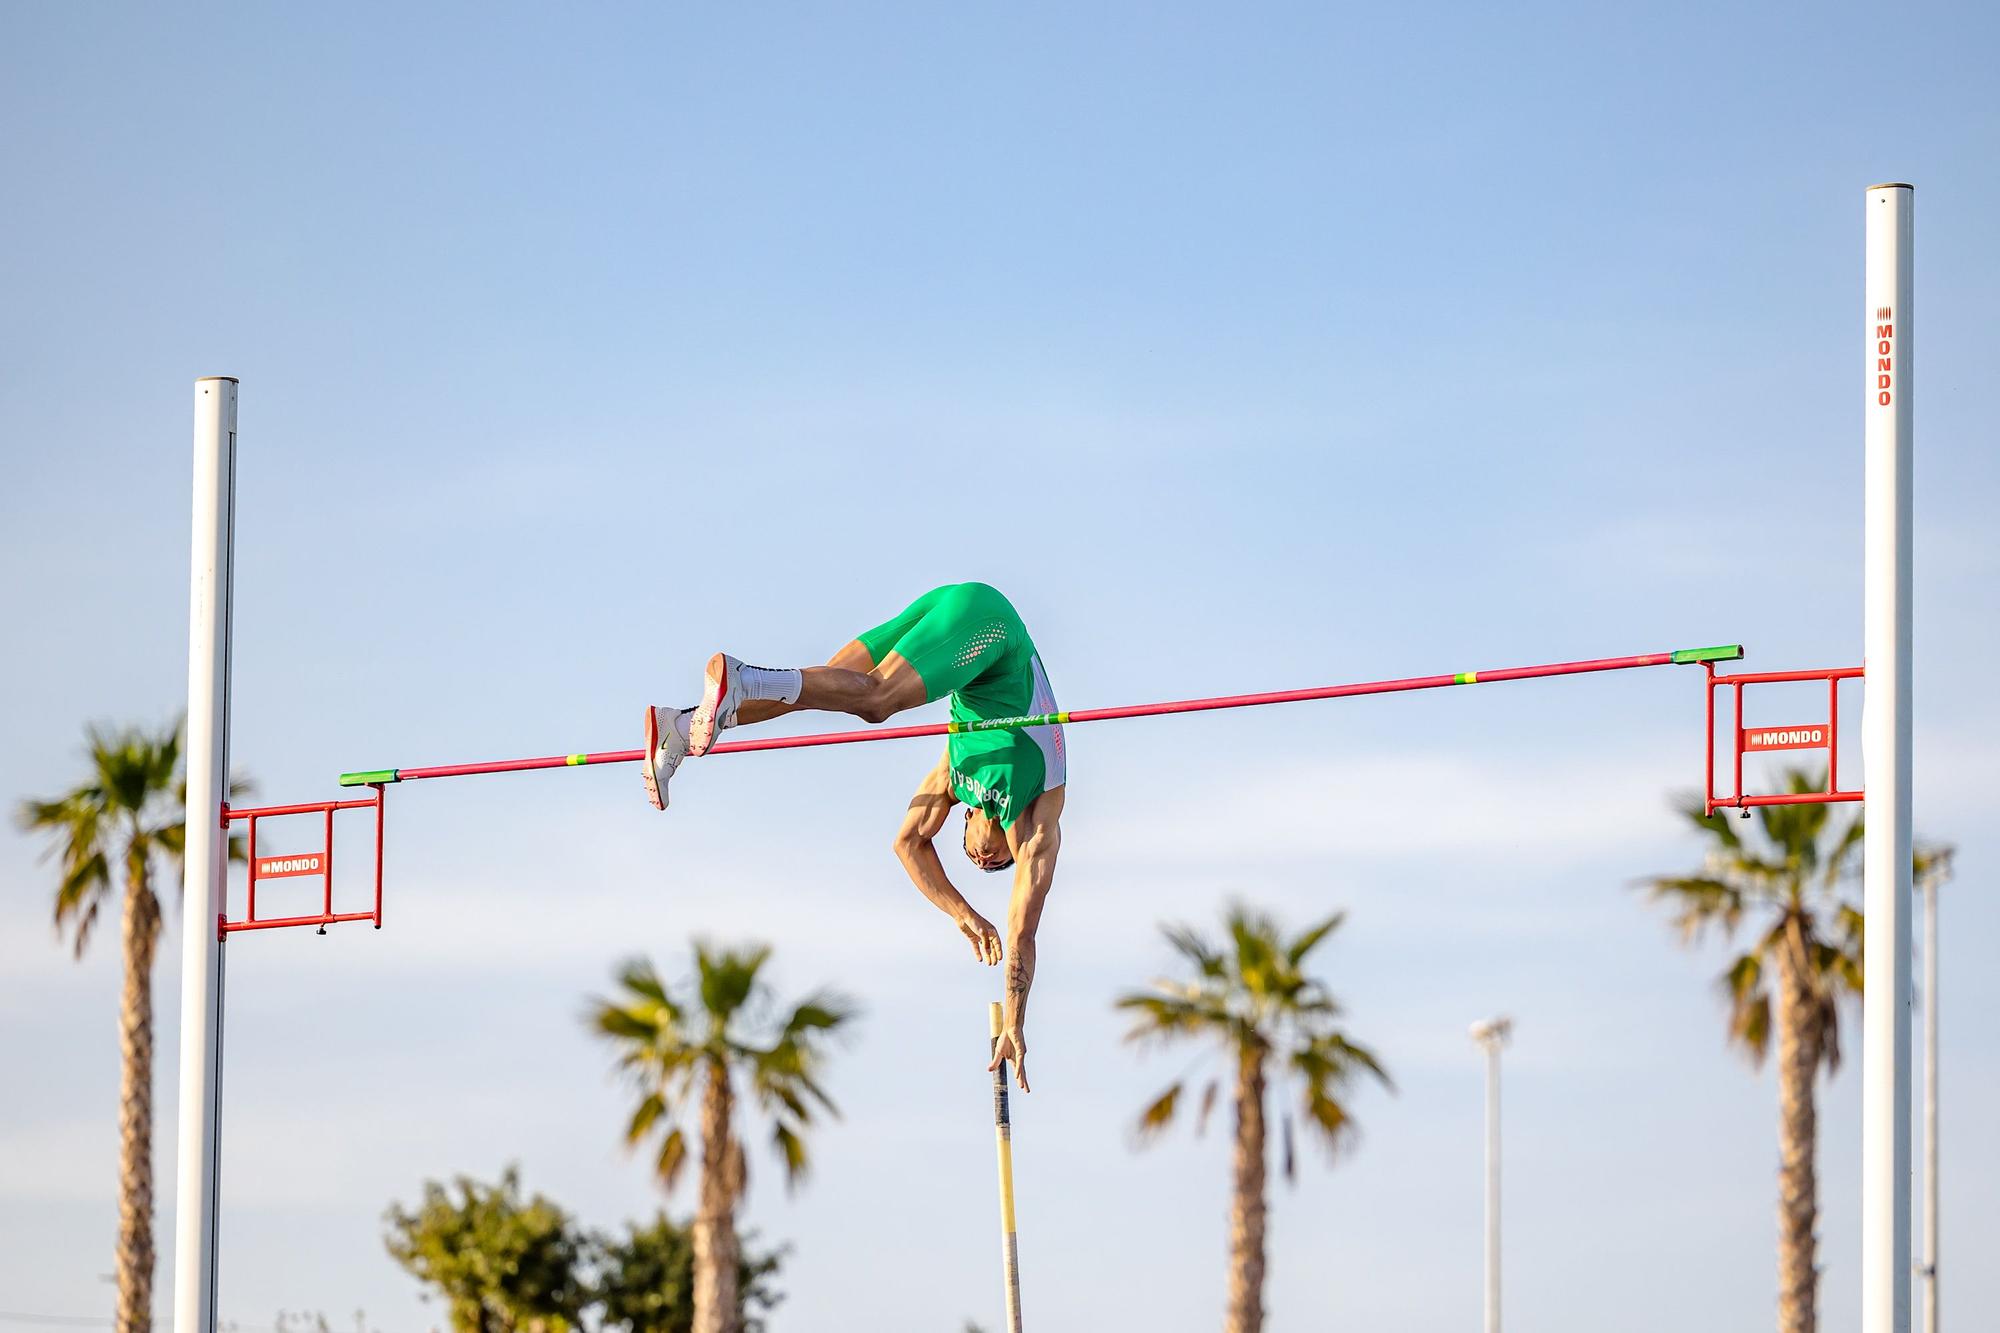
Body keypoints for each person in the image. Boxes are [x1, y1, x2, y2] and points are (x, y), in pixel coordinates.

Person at [643, 582, 1063, 1091]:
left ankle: (680, 729)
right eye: (990, 863)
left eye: (980, 865)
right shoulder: (1039, 816)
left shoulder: (958, 777)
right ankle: (737, 678)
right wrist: (1016, 1025)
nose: (978, 858)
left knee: (826, 685)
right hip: (993, 631)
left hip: (961, 617)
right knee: (877, 701)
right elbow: (1021, 930)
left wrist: (962, 913)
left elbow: (906, 843)